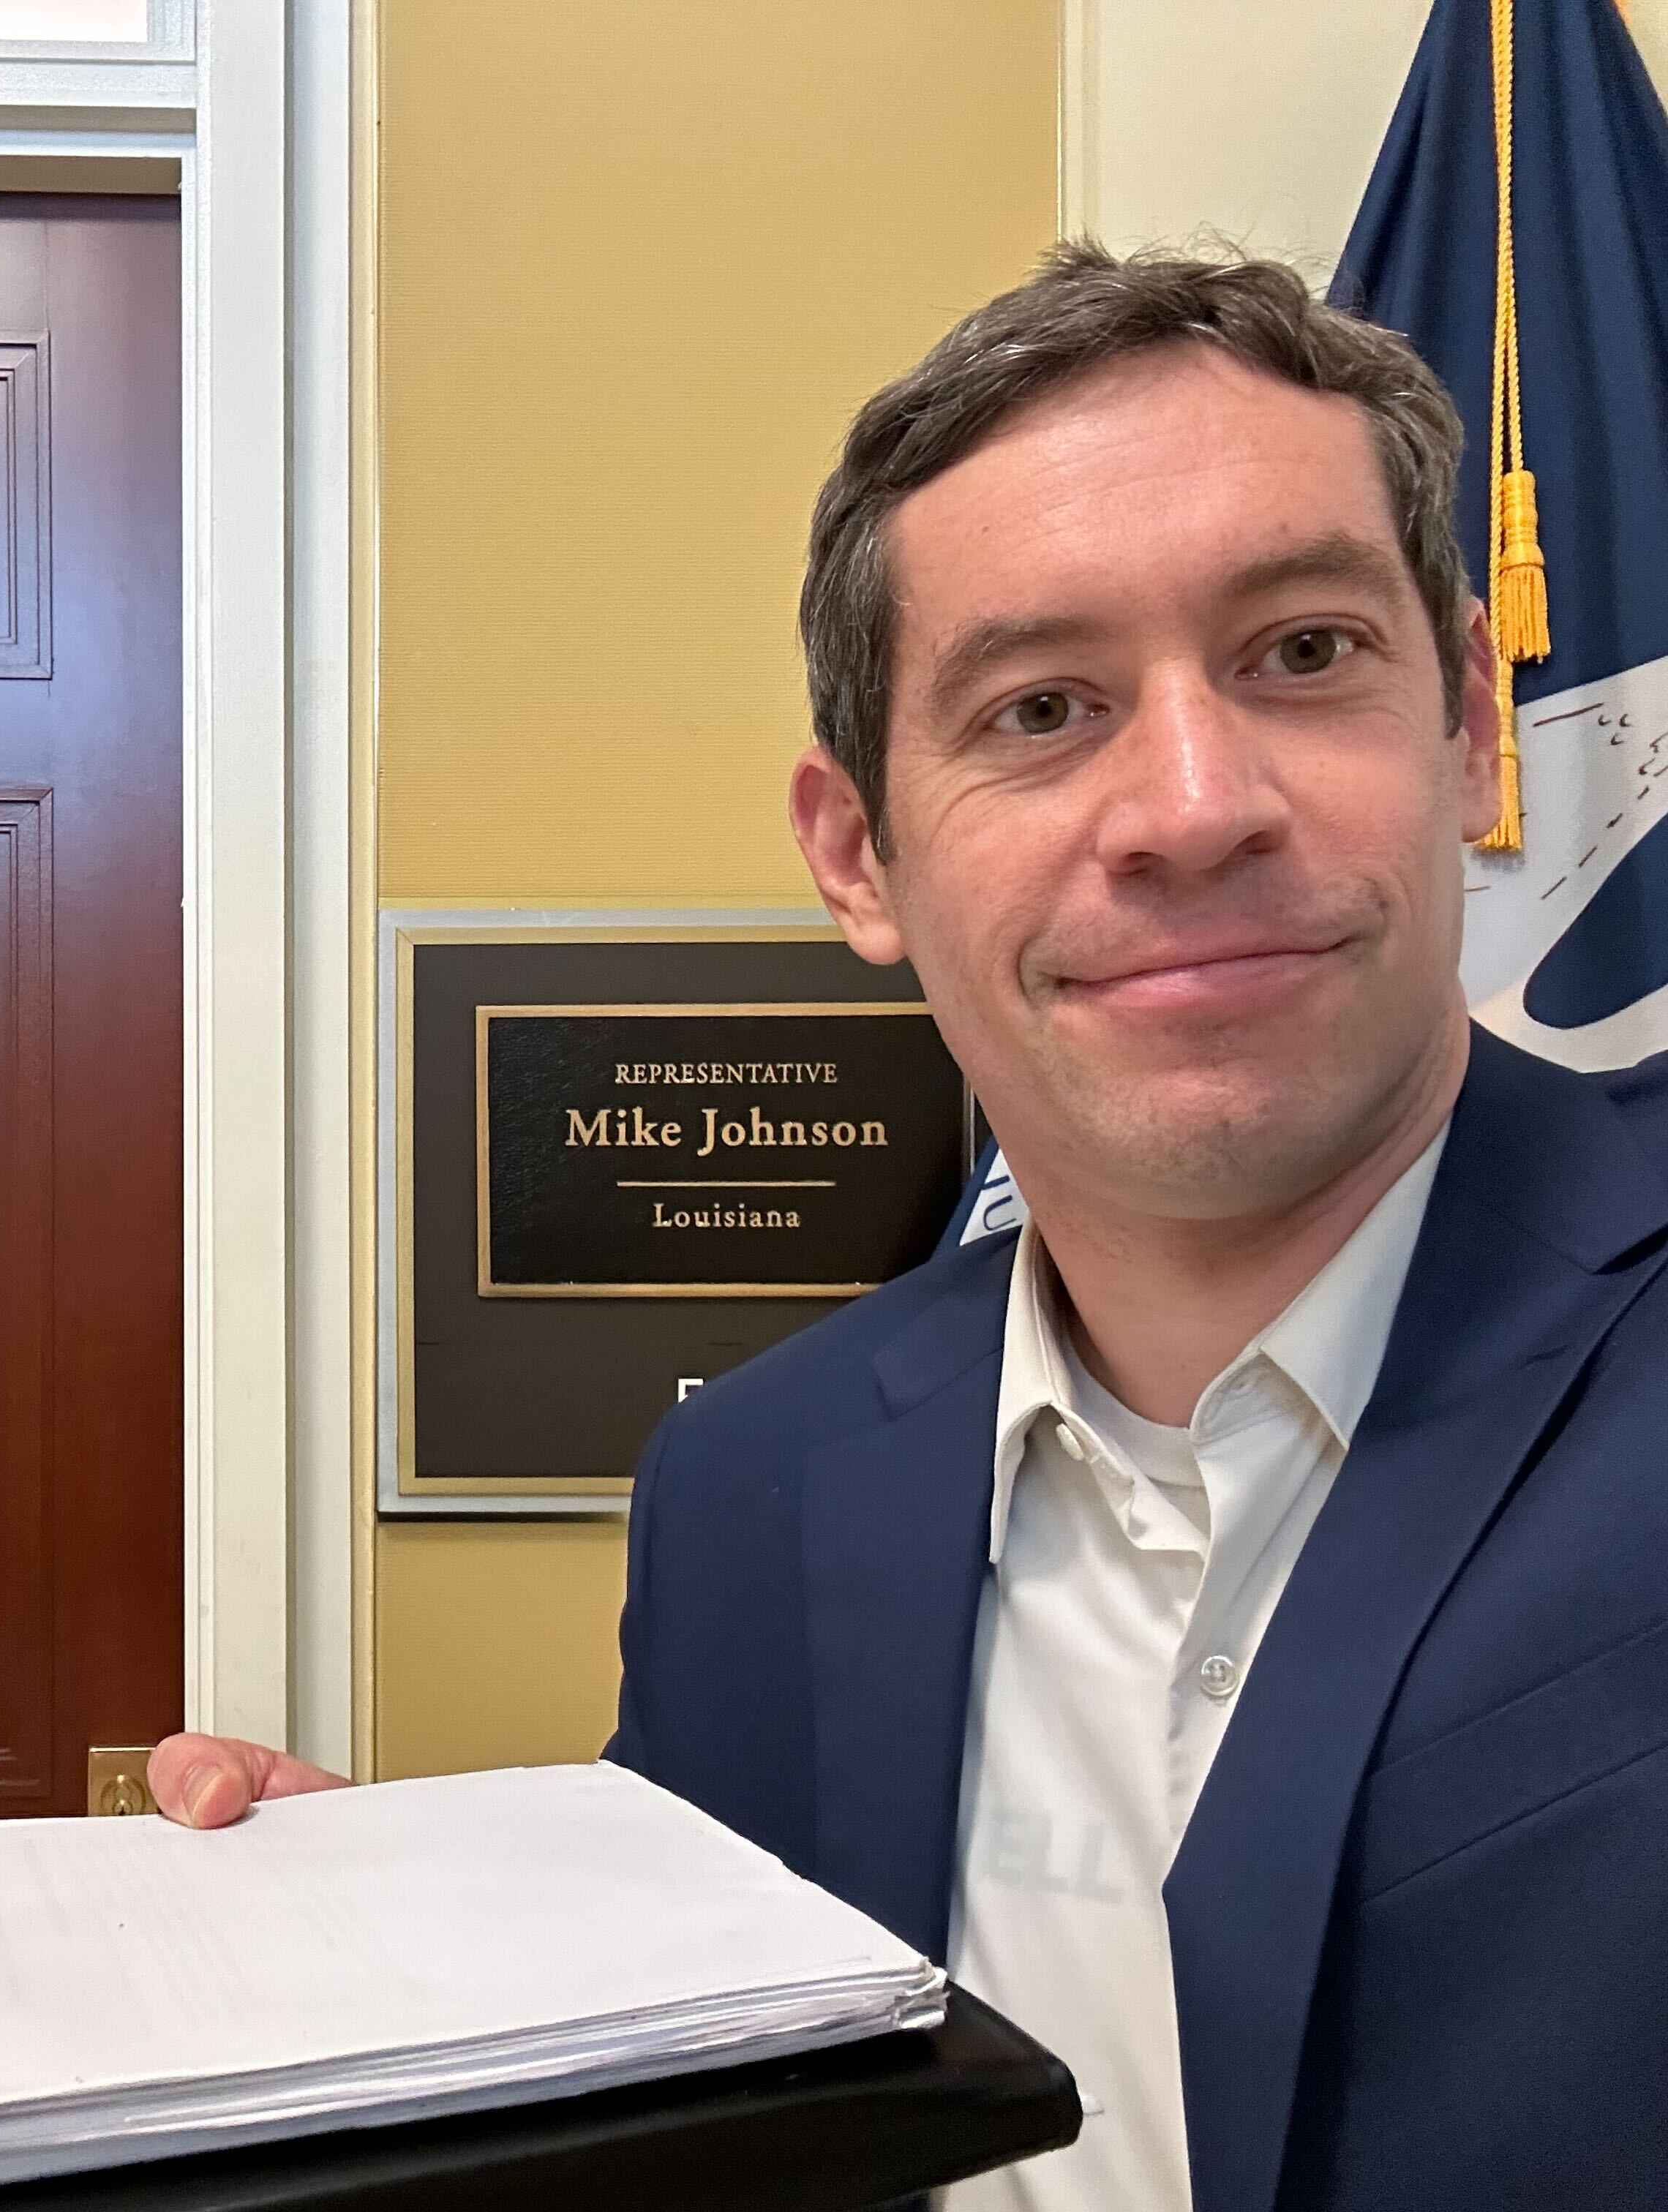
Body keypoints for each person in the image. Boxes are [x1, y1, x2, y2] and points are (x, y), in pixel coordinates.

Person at [149, 245, 1668, 2212]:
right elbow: (742, 2085)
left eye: (1303, 655)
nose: (1193, 806)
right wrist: (452, 1990)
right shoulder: (748, 1488)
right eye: (1042, 708)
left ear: (1470, 723)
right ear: (861, 853)